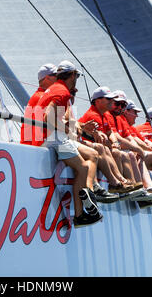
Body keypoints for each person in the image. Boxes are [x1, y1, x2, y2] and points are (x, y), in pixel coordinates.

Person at [35, 60, 102, 228]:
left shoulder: (55, 88)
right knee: (84, 167)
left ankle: (83, 207)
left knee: (86, 163)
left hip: (46, 136)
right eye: (77, 75)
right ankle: (84, 205)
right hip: (52, 138)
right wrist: (66, 129)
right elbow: (48, 117)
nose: (76, 79)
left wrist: (70, 127)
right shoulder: (62, 91)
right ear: (72, 75)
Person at [78, 87, 144, 200]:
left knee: (122, 153)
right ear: (98, 101)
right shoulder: (94, 115)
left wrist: (115, 142)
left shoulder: (103, 114)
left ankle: (128, 184)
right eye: (109, 100)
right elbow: (103, 140)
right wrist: (115, 144)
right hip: (91, 147)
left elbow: (110, 133)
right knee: (115, 152)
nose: (112, 103)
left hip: (98, 147)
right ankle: (118, 183)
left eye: (123, 105)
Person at [20, 63, 57, 145]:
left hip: (31, 146)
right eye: (56, 75)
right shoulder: (43, 97)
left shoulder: (39, 95)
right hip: (35, 149)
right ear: (47, 78)